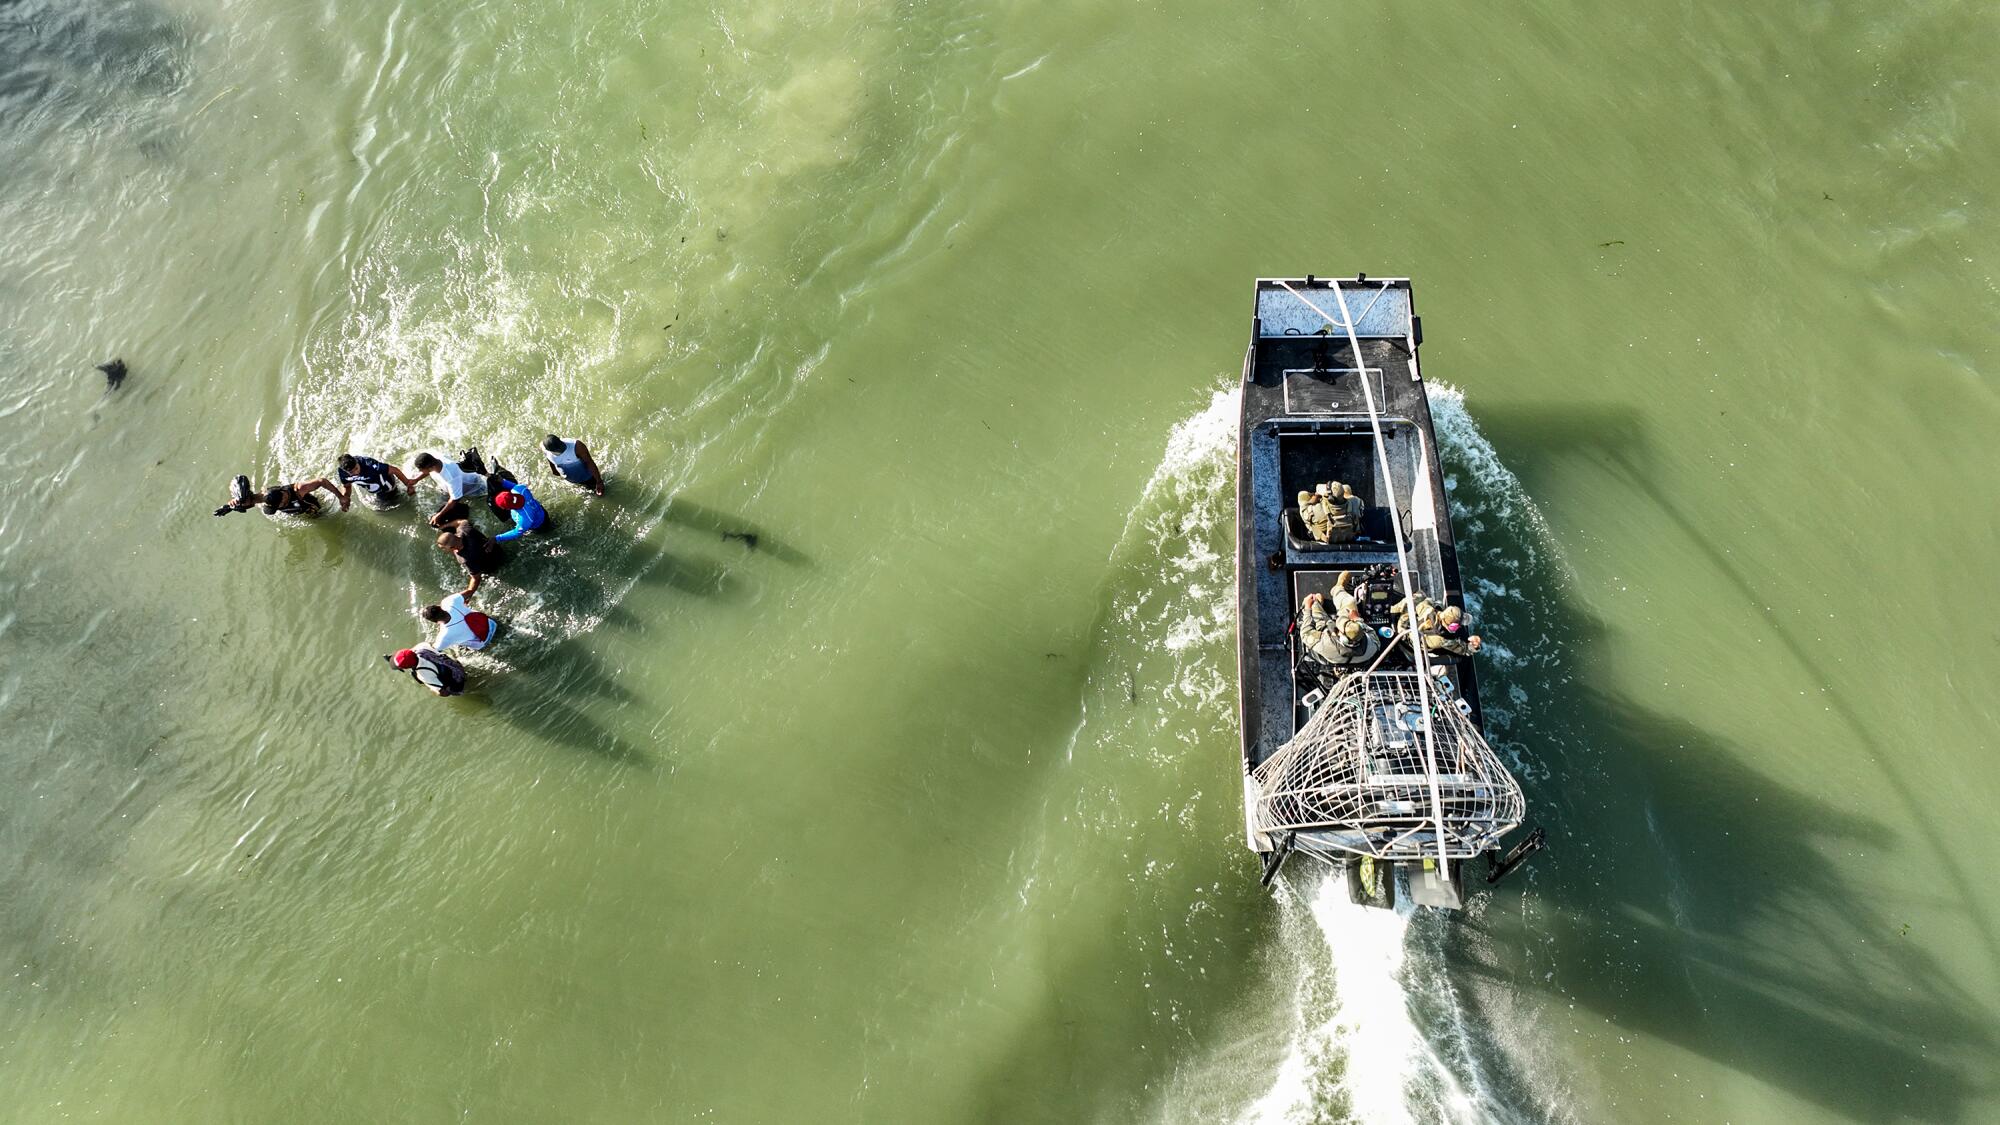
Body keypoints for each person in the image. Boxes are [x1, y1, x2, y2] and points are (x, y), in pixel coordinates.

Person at [1299, 578, 1379, 666]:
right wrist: (1357, 619)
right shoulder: (1371, 646)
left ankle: (1317, 603)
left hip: (1330, 648)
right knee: (1350, 602)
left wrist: (1307, 608)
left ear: (1342, 636)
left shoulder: (1325, 644)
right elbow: (1371, 633)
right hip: (1352, 655)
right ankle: (1337, 589)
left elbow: (1305, 633)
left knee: (1314, 607)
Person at [409, 450, 489, 527]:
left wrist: (439, 515)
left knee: (445, 517)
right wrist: (416, 479)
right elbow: (427, 471)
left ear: (430, 467)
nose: (419, 471)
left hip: (474, 489)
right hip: (451, 489)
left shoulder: (450, 475)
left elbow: (455, 499)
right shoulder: (435, 460)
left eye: (421, 469)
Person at [436, 519, 504, 592]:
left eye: (443, 548)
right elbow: (462, 521)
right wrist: (445, 526)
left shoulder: (465, 559)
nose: (443, 550)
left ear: (452, 548)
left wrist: (469, 591)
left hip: (493, 568)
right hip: (499, 551)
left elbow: (476, 578)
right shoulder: (465, 529)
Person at [422, 587, 498, 652]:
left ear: (436, 622)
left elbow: (434, 650)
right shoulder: (449, 602)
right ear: (439, 607)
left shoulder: (445, 636)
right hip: (491, 623)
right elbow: (470, 591)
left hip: (485, 643)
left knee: (458, 647)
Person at [335, 453, 417, 508]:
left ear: (357, 462)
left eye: (356, 468)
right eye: (351, 472)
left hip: (387, 487)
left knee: (384, 509)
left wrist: (408, 484)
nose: (356, 473)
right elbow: (347, 486)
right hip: (373, 486)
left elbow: (394, 470)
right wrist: (346, 497)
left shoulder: (370, 465)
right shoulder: (342, 472)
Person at [385, 646, 466, 697]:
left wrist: (431, 688)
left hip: (459, 682)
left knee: (445, 690)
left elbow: (444, 693)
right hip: (457, 666)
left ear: (407, 667)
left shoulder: (423, 674)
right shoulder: (422, 646)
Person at [1297, 481, 1362, 544]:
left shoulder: (1315, 510)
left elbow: (1303, 512)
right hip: (1349, 537)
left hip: (1326, 539)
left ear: (1330, 498)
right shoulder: (1356, 503)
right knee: (1346, 487)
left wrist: (1312, 500)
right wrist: (1345, 495)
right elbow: (1360, 508)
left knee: (1302, 495)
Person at [261, 478, 343, 516]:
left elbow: (322, 481)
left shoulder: (299, 490)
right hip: (298, 511)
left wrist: (340, 497)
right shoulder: (268, 499)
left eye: (277, 507)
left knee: (321, 516)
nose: (277, 508)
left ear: (283, 498)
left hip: (311, 506)